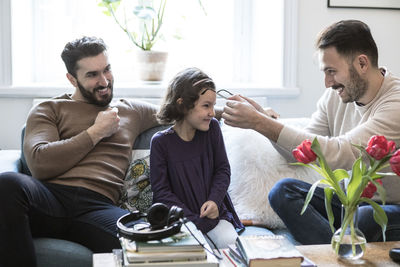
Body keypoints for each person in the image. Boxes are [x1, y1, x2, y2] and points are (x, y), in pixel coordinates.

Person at [222, 20, 400, 244]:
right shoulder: (336, 96)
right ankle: (338, 249)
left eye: (332, 71)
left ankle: (334, 250)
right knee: (283, 191)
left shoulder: (395, 103)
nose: (327, 83)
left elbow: (342, 153)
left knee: (364, 216)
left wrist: (261, 123)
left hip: (389, 209)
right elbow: (300, 155)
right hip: (349, 203)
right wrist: (263, 121)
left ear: (362, 63)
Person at [0, 36, 159, 266]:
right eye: (92, 75)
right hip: (49, 197)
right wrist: (95, 132)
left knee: (148, 240)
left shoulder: (131, 110)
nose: (104, 81)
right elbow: (39, 163)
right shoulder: (49, 109)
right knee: (7, 185)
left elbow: (181, 110)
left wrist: (226, 112)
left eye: (107, 70)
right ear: (72, 79)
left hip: (98, 206)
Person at [149, 67, 244, 249]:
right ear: (183, 105)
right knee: (196, 250)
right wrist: (193, 220)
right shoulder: (160, 142)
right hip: (179, 219)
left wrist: (214, 201)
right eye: (206, 106)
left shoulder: (213, 129)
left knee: (231, 245)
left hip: (214, 215)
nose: (212, 112)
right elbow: (161, 192)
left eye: (213, 105)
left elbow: (222, 170)